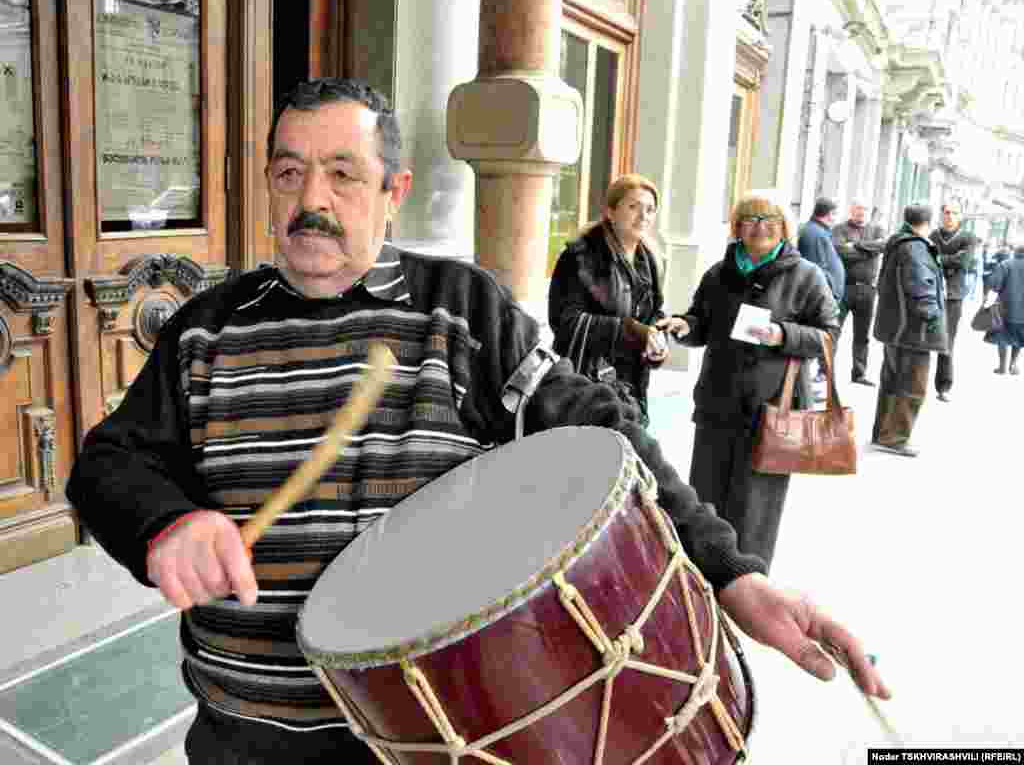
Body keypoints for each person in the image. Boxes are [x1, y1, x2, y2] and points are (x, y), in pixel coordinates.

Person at [66, 78, 888, 764]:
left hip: (442, 736)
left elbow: (604, 434)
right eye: (289, 173)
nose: (310, 200)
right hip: (254, 734)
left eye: (343, 174)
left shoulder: (458, 311)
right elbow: (108, 464)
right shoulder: (207, 328)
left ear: (394, 192)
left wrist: (732, 574)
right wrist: (165, 523)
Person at [670, 188, 839, 570]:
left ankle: (748, 582)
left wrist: (784, 335)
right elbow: (702, 322)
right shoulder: (719, 273)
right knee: (707, 497)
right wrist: (684, 325)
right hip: (718, 404)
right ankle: (704, 574)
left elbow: (829, 335)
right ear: (737, 227)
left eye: (769, 220)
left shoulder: (806, 276)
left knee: (755, 508)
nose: (759, 227)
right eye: (750, 219)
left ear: (784, 227)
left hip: (771, 409)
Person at [548, 173, 680, 427]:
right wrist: (630, 330)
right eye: (633, 207)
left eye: (650, 209)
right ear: (611, 211)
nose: (643, 216)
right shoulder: (580, 256)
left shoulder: (649, 260)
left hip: (632, 387)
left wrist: (657, 339)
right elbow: (566, 323)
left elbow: (653, 313)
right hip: (585, 386)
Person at [871, 204, 946, 458]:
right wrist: (933, 319)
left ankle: (883, 433)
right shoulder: (915, 246)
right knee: (913, 386)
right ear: (928, 221)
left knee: (892, 382)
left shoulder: (899, 242)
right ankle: (894, 438)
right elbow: (921, 286)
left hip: (897, 328)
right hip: (914, 331)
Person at [929, 202, 980, 402]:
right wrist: (950, 259)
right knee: (922, 338)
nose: (950, 216)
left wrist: (940, 259)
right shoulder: (933, 235)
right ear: (942, 214)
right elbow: (927, 258)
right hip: (931, 292)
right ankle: (917, 382)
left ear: (961, 216)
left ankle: (944, 386)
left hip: (953, 297)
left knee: (946, 341)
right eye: (947, 212)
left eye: (954, 213)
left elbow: (964, 261)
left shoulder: (968, 238)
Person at [832, 200, 887, 386]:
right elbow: (840, 251)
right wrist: (869, 249)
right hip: (844, 287)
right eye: (857, 209)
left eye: (864, 209)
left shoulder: (878, 229)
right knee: (834, 330)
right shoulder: (839, 229)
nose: (861, 212)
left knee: (862, 335)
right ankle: (825, 371)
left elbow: (883, 246)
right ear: (851, 210)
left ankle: (859, 373)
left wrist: (855, 246)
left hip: (868, 289)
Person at [984, 244, 1024, 375]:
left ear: (1016, 252)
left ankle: (1002, 367)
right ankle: (1013, 365)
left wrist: (987, 303)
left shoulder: (1006, 264)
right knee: (1019, 338)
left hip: (1005, 309)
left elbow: (994, 285)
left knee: (1003, 337)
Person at [797, 196, 845, 304]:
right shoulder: (815, 233)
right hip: (820, 300)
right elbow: (816, 270)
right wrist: (832, 289)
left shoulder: (818, 231)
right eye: (835, 214)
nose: (835, 218)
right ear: (829, 214)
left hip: (823, 298)